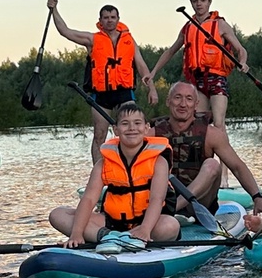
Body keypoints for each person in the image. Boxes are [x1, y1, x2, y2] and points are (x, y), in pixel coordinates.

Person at [48, 100, 181, 249]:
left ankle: (133, 237)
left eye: (137, 123)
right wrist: (76, 233)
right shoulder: (104, 164)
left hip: (150, 223)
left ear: (146, 128)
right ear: (116, 130)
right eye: (125, 124)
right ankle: (110, 238)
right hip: (113, 224)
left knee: (171, 226)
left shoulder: (159, 161)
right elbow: (89, 199)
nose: (132, 128)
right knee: (57, 215)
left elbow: (158, 198)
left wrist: (145, 229)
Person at [47, 0, 158, 151]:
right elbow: (65, 31)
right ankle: (97, 172)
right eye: (106, 17)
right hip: (101, 95)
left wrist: (151, 89)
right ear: (100, 21)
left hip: (124, 93)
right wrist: (54, 10)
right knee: (100, 135)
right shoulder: (92, 39)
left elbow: (142, 67)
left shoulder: (129, 41)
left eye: (113, 17)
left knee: (130, 133)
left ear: (118, 19)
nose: (110, 20)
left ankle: (128, 167)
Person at [144, 0, 254, 133]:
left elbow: (240, 49)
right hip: (197, 80)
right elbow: (170, 51)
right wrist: (153, 72)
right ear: (191, 4)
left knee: (218, 122)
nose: (199, 4)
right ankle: (204, 156)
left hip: (217, 78)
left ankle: (223, 156)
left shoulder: (220, 24)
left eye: (203, 0)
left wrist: (243, 62)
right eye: (195, 1)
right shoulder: (188, 27)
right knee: (199, 124)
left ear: (209, 2)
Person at [152, 80, 262, 219]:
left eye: (189, 99)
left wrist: (257, 196)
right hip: (164, 200)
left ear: (196, 105)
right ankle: (168, 211)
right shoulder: (152, 134)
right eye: (177, 97)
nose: (183, 104)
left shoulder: (211, 134)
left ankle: (176, 208)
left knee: (212, 164)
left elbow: (237, 167)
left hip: (200, 204)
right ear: (168, 101)